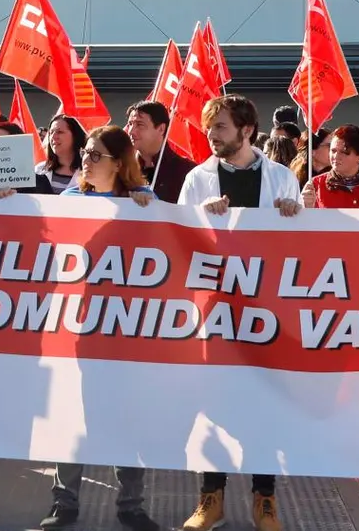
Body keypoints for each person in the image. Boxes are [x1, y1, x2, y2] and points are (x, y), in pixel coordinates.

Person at [176, 95, 299, 531]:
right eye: (211, 127)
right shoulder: (197, 179)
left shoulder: (283, 179)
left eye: (221, 127)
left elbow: (302, 248)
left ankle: (264, 498)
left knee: (264, 404)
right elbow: (179, 239)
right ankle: (211, 498)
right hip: (216, 311)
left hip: (266, 311)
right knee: (215, 403)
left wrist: (294, 217)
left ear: (247, 130)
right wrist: (199, 220)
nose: (212, 135)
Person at [44, 126, 160, 531]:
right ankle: (65, 502)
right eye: (86, 154)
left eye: (96, 156)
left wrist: (151, 212)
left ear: (119, 163)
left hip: (128, 331)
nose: (86, 162)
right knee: (74, 415)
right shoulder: (69, 201)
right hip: (78, 327)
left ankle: (131, 504)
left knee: (128, 417)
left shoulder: (144, 203)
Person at [124, 101, 194, 203]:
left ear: (161, 129)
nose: (131, 131)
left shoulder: (188, 172)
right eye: (130, 124)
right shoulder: (122, 169)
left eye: (140, 124)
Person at [304, 125, 359, 209]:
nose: (336, 156)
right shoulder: (315, 185)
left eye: (344, 152)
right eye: (333, 151)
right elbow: (305, 221)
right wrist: (306, 207)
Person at [39, 113, 86, 192]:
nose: (53, 137)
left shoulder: (89, 172)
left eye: (60, 132)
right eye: (51, 132)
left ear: (75, 136)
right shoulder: (39, 170)